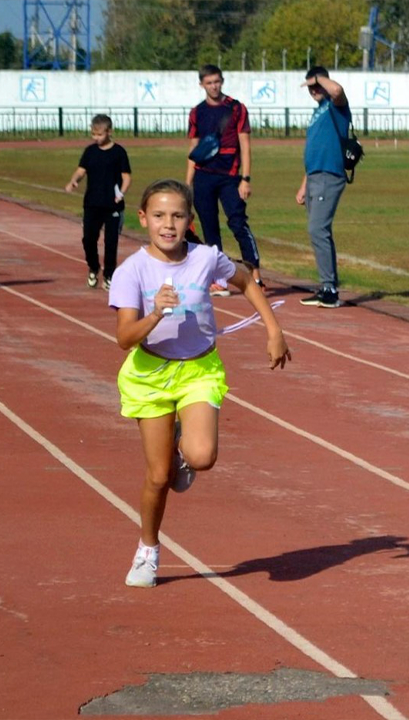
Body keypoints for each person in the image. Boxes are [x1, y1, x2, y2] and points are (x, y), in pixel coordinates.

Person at [110, 179, 290, 588]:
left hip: (198, 370)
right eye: (158, 216)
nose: (168, 224)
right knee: (159, 477)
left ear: (190, 220)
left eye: (177, 215)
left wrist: (273, 329)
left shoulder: (206, 258)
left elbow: (244, 280)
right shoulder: (132, 271)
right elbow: (123, 338)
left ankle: (185, 445)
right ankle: (148, 549)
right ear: (143, 219)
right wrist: (154, 314)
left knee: (203, 456)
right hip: (150, 376)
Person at [186, 64, 264, 295]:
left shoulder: (236, 108)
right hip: (203, 176)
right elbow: (193, 149)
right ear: (202, 84)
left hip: (230, 177)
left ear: (222, 81)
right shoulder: (196, 112)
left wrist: (246, 178)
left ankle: (256, 276)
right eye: (209, 82)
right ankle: (218, 279)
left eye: (217, 81)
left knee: (238, 223)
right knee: (210, 229)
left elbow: (245, 145)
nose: (214, 86)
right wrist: (187, 183)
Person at [295, 66, 351, 309]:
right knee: (317, 230)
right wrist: (303, 185)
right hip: (315, 177)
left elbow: (337, 90)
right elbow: (315, 150)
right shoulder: (318, 111)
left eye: (318, 85)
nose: (314, 90)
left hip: (329, 175)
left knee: (318, 228)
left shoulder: (336, 106)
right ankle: (327, 285)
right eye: (311, 87)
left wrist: (319, 79)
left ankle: (330, 289)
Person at [64, 113, 132, 290]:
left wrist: (121, 193)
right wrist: (74, 180)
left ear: (110, 132)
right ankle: (93, 267)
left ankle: (109, 274)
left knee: (111, 242)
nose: (96, 138)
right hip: (92, 204)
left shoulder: (119, 152)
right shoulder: (90, 151)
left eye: (100, 134)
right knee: (88, 239)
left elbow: (126, 177)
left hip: (112, 205)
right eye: (93, 134)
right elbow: (81, 170)